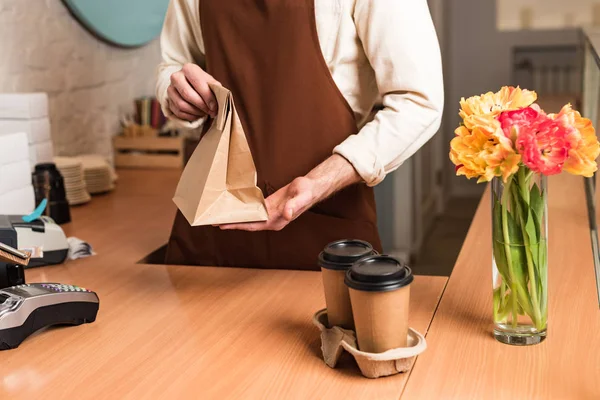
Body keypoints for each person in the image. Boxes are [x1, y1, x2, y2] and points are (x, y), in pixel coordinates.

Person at [157, 0, 444, 270]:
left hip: (323, 228)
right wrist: (176, 95)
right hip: (212, 226)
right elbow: (174, 64)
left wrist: (320, 183)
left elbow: (418, 102)